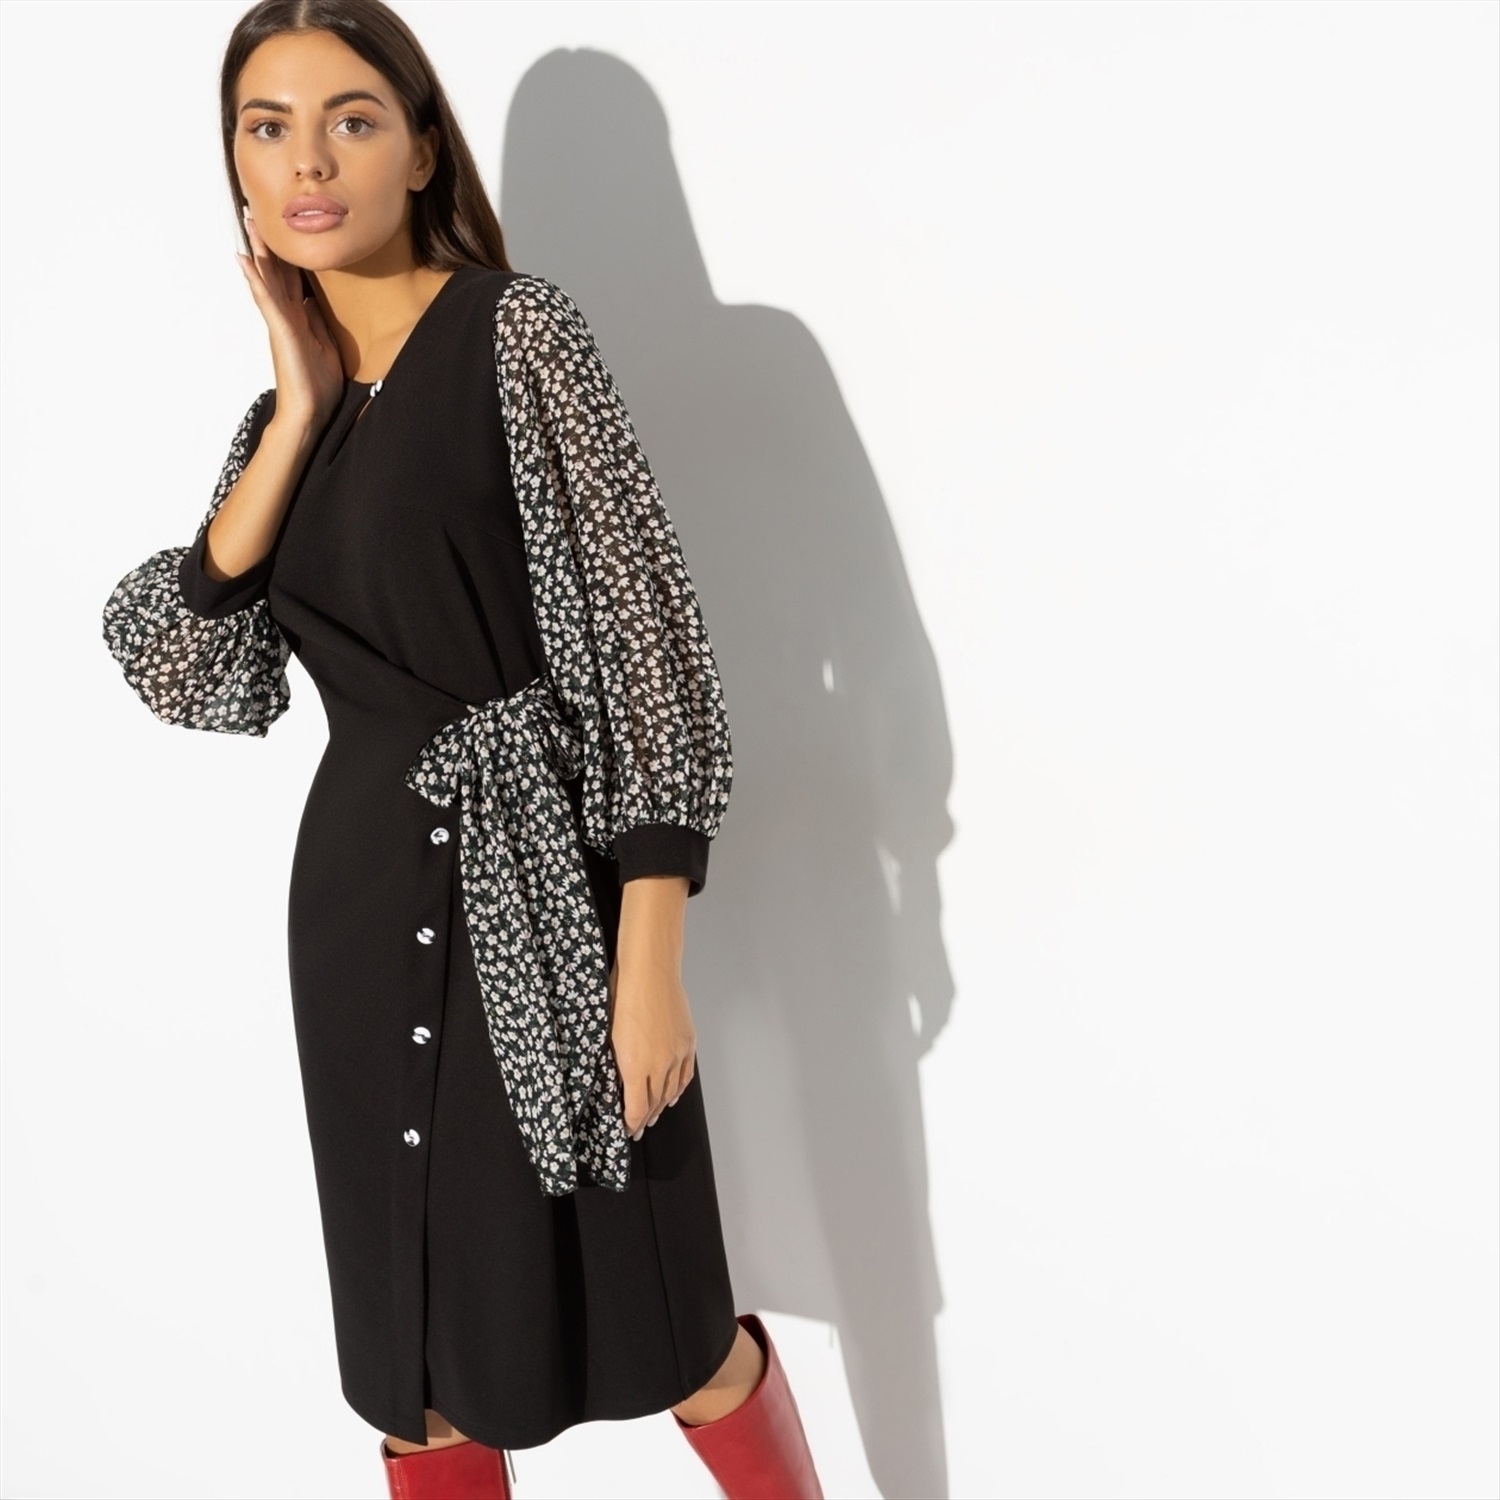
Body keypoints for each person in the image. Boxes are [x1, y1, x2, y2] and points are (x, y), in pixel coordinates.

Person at [99, 3, 825, 1497]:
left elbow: (644, 645)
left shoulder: (518, 333)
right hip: (362, 926)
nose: (309, 162)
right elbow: (191, 670)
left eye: (352, 120)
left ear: (423, 149)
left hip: (545, 913)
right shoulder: (282, 419)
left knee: (675, 1331)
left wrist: (650, 956)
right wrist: (297, 413)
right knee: (418, 1374)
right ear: (237, 165)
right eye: (268, 128)